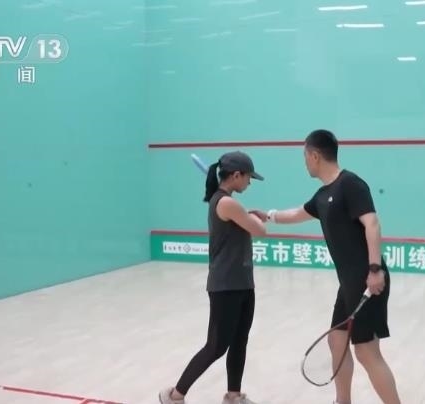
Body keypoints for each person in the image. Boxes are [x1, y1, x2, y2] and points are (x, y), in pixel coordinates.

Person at [260, 129, 402, 404]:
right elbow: (298, 213)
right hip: (348, 284)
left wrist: (375, 269)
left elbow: (372, 224)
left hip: (367, 280)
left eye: (305, 156)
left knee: (367, 352)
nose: (304, 162)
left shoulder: (351, 184)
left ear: (315, 156)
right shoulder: (323, 195)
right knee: (337, 340)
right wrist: (268, 215)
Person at [159, 151, 267, 404]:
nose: (249, 183)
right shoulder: (226, 203)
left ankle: (233, 396)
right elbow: (260, 231)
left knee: (239, 341)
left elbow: (247, 223)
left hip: (242, 283)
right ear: (236, 175)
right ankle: (175, 395)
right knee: (216, 346)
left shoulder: (229, 203)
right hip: (225, 286)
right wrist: (253, 217)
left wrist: (249, 215)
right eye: (249, 178)